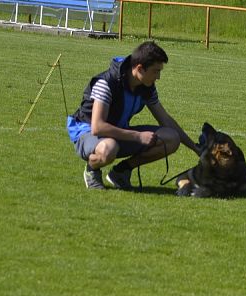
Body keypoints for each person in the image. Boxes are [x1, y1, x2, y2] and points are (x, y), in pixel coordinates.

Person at [66, 41, 200, 190]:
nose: (158, 77)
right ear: (140, 68)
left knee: (171, 138)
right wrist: (138, 136)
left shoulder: (146, 87)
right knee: (108, 149)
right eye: (156, 71)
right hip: (88, 132)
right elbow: (98, 127)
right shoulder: (107, 83)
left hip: (117, 134)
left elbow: (166, 120)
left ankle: (121, 172)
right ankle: (92, 170)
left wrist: (195, 148)